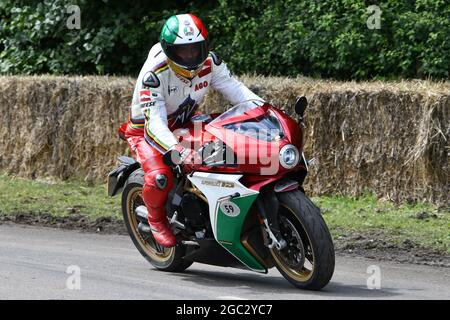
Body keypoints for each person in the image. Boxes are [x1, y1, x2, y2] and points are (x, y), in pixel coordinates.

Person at [121, 13, 263, 247]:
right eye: (182, 51)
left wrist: (264, 109)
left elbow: (236, 90)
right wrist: (177, 149)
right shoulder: (153, 75)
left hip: (187, 122)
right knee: (159, 177)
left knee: (230, 146)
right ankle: (156, 220)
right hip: (146, 131)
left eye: (195, 49)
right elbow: (155, 123)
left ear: (204, 47)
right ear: (169, 50)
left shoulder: (210, 63)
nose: (189, 56)